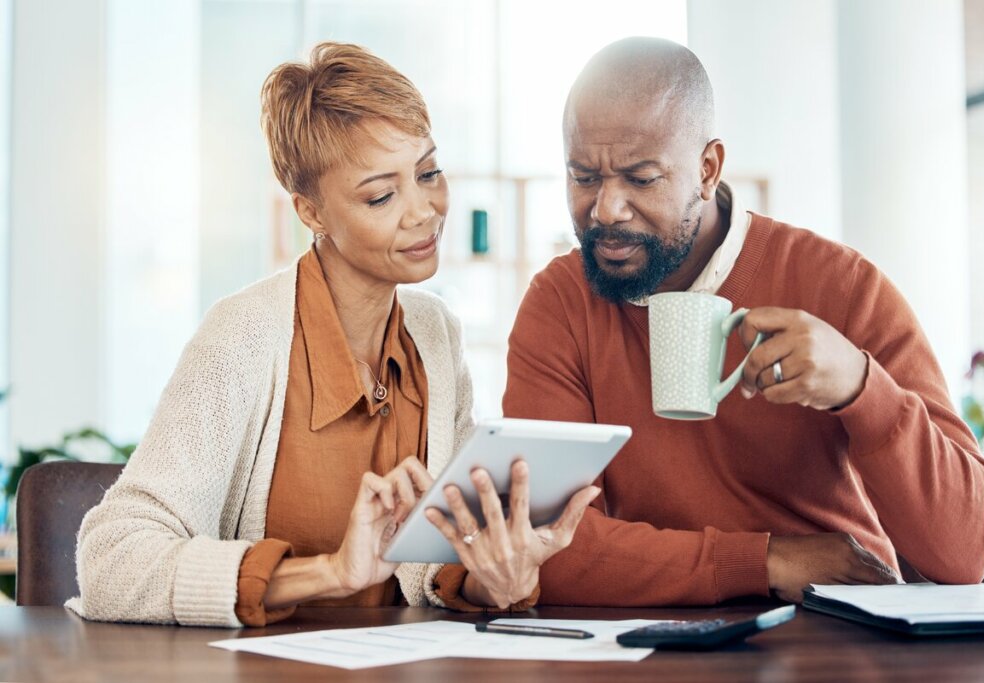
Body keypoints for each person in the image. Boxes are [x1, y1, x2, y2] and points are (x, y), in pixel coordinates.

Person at [71, 42, 597, 627]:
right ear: (312, 213)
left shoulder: (435, 334)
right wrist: (332, 571)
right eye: (380, 195)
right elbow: (111, 562)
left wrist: (496, 574)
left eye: (428, 173)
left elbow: (430, 565)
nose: (424, 211)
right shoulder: (242, 338)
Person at [503, 36, 984, 606]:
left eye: (641, 179)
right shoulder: (560, 302)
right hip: (653, 639)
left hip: (837, 632)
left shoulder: (841, 286)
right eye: (583, 176)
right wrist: (763, 560)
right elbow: (542, 545)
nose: (606, 210)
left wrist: (861, 388)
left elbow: (965, 552)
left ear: (708, 168)